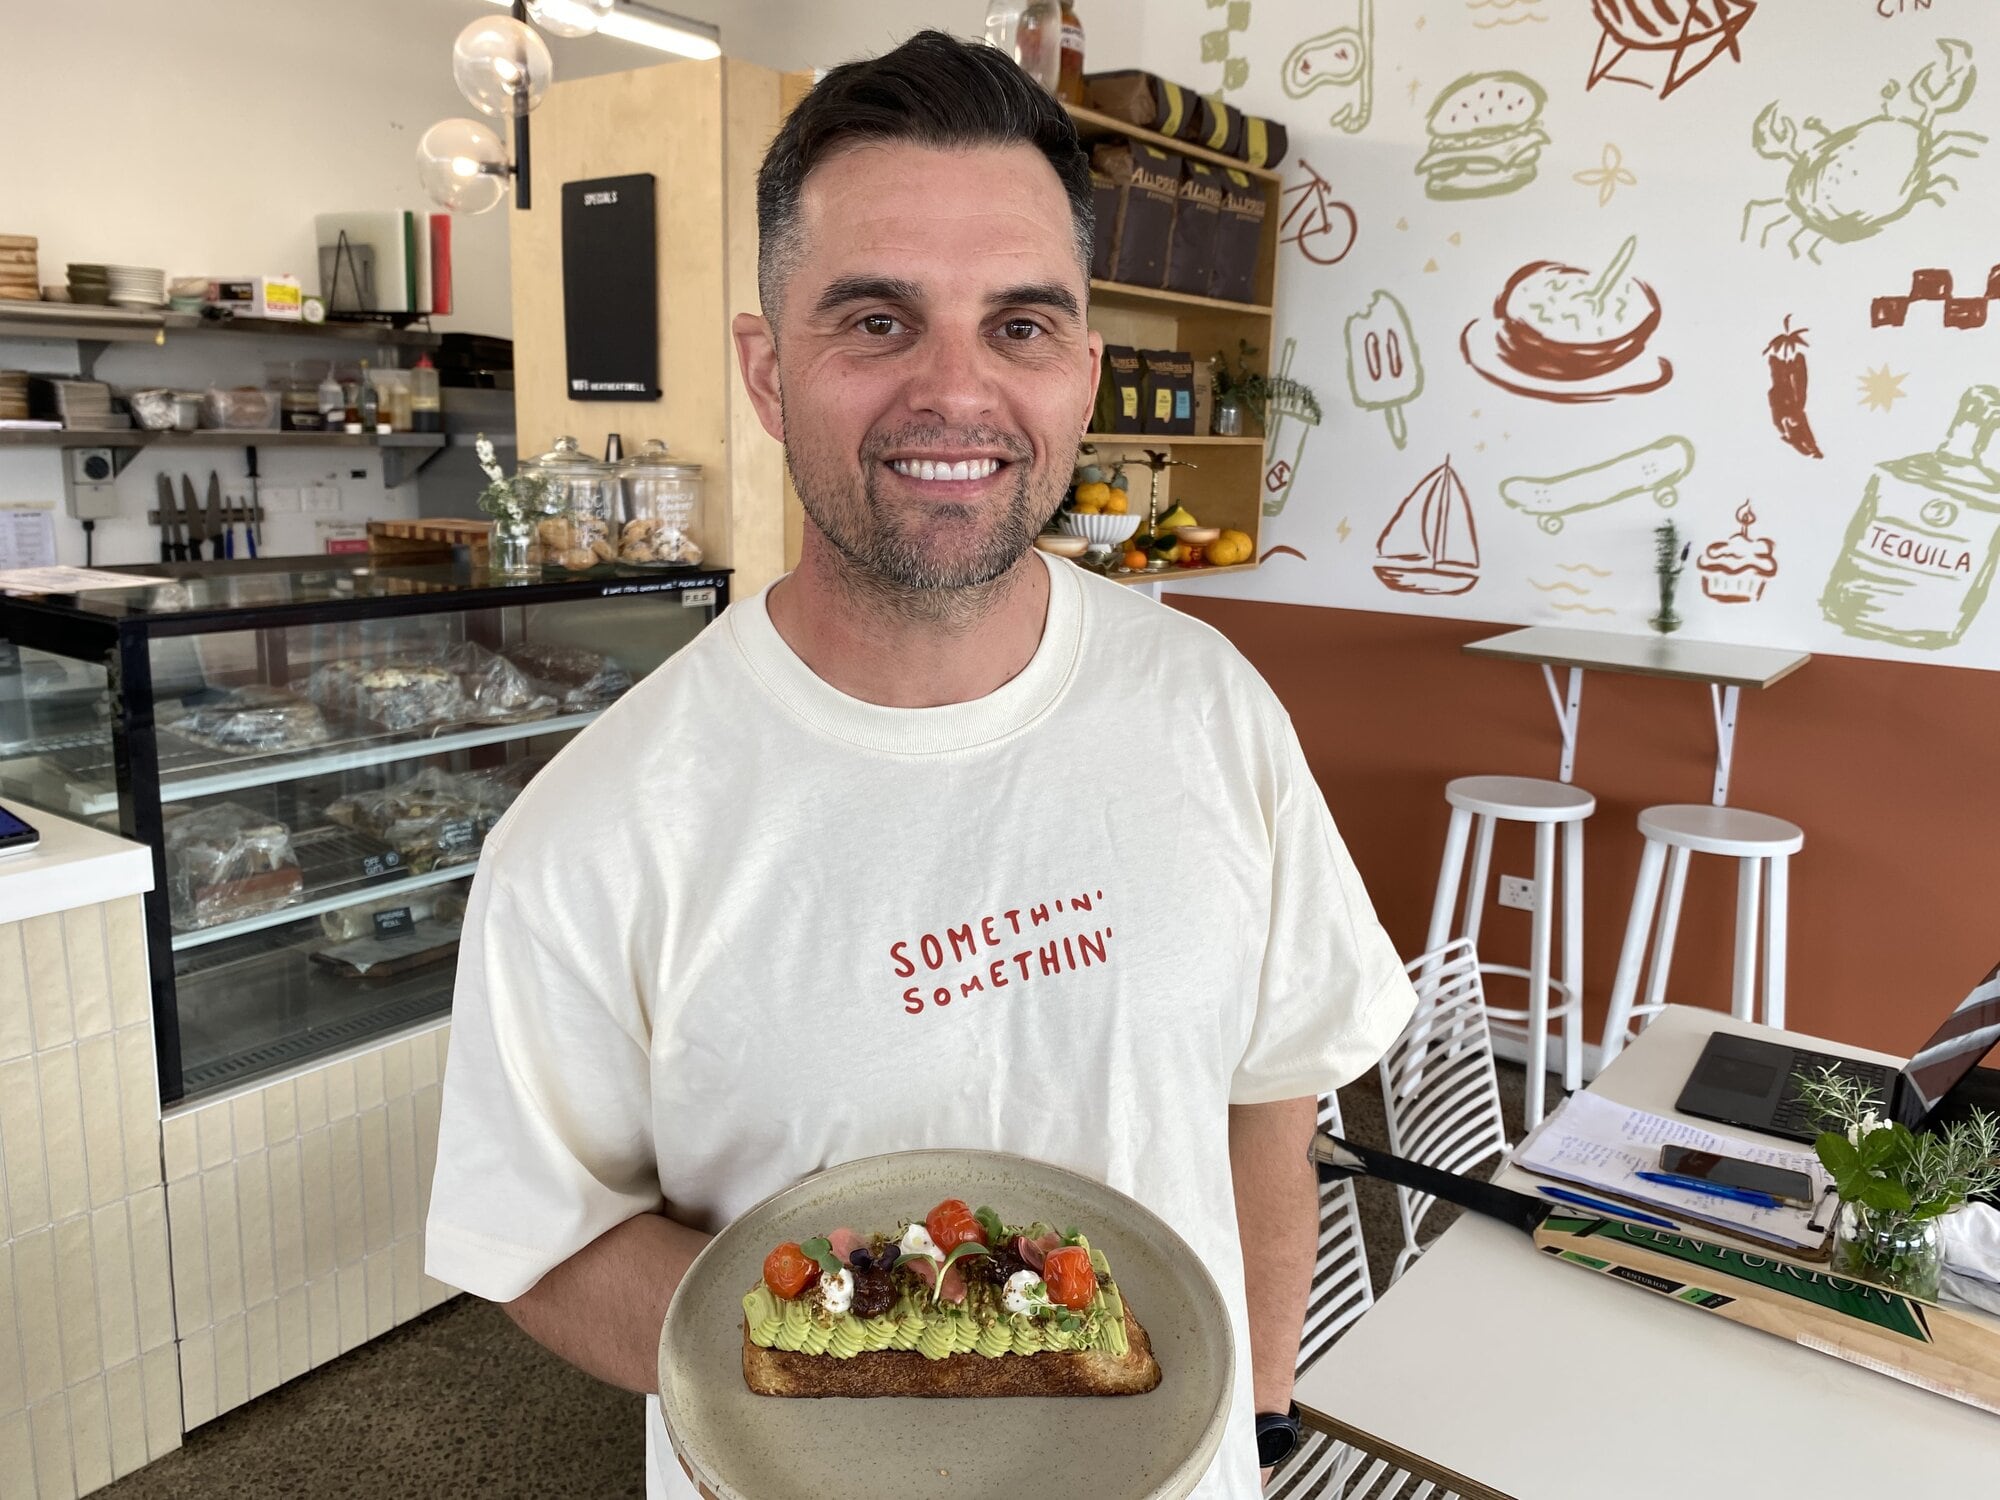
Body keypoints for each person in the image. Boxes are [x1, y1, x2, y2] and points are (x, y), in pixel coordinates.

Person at [426, 29, 1416, 1500]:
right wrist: (909, 1375)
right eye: (877, 321)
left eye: (1020, 325)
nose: (957, 392)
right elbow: (543, 1242)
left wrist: (1258, 1420)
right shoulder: (604, 824)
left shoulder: (1210, 704)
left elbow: (1273, 1090)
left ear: (1082, 370)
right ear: (769, 371)